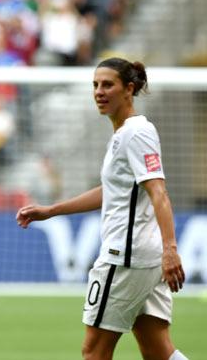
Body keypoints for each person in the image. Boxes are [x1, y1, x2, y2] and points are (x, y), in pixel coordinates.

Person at [16, 58, 188, 360]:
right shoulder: (126, 133)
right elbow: (112, 191)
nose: (99, 91)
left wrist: (171, 248)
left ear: (129, 89)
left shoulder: (135, 133)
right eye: (95, 85)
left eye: (108, 84)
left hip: (125, 258)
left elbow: (159, 192)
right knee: (158, 350)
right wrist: (52, 210)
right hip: (144, 258)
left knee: (94, 352)